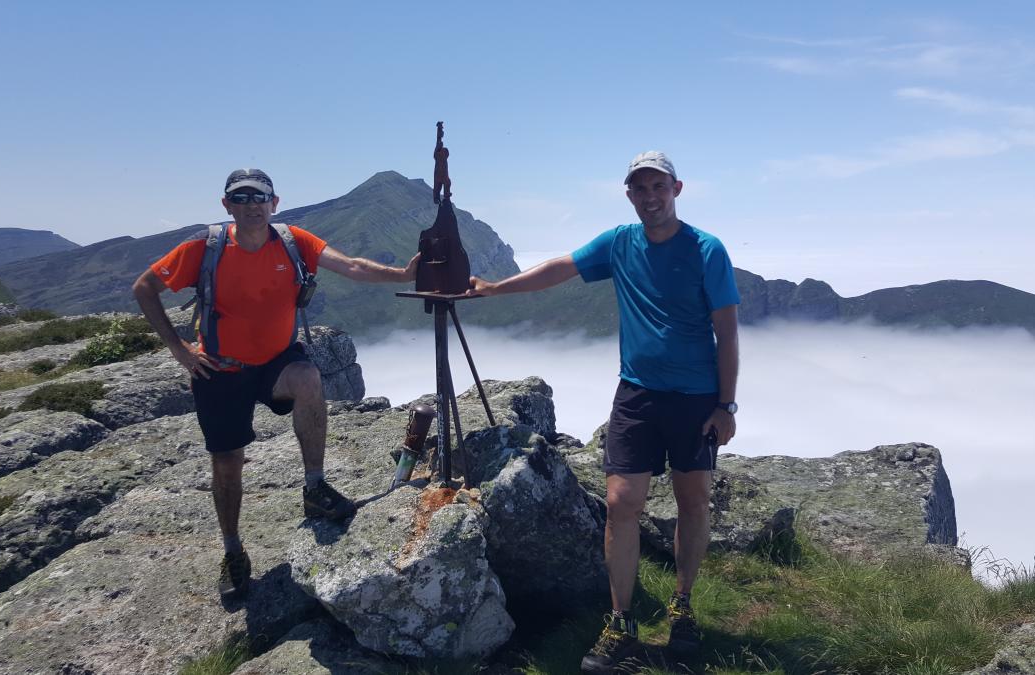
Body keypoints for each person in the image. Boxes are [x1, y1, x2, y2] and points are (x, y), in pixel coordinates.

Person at [468, 151, 740, 673]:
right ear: (630, 195)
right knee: (621, 503)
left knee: (694, 501)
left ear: (677, 189)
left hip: (696, 398)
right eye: (641, 188)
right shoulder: (620, 242)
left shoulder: (707, 250)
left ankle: (682, 605)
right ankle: (621, 620)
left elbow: (727, 332)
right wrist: (497, 289)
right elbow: (561, 268)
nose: (650, 197)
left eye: (658, 187)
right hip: (636, 394)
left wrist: (726, 406)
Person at [133, 168, 419, 600]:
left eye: (259, 197)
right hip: (221, 369)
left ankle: (315, 487)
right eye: (241, 198)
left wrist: (403, 275)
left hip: (274, 362)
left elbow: (353, 267)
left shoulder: (293, 241)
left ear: (274, 203)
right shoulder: (204, 248)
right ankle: (232, 551)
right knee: (227, 464)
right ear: (227, 205)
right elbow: (145, 288)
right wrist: (180, 350)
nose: (252, 205)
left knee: (307, 377)